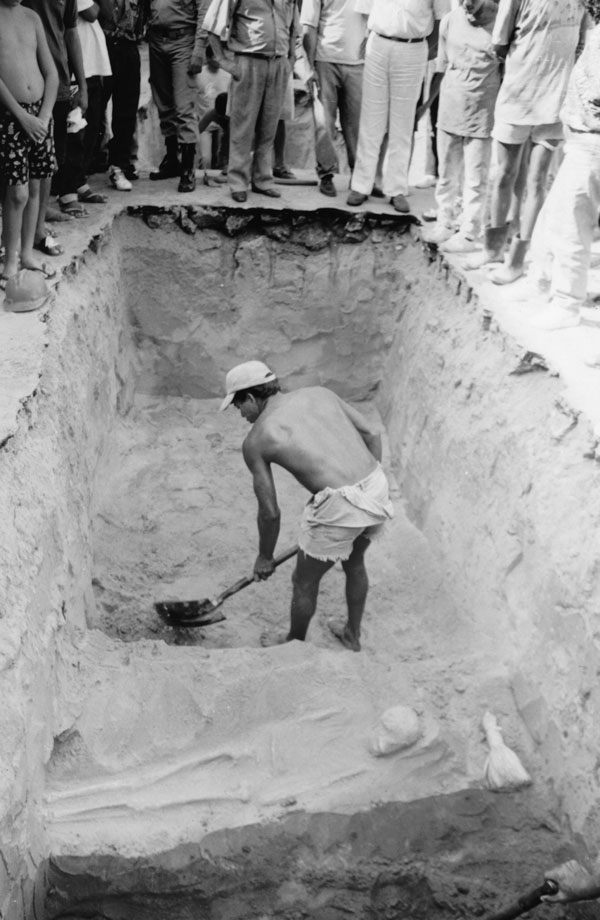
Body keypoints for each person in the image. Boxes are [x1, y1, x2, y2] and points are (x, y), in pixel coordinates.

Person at [220, 360, 394, 651]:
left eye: (239, 407)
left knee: (303, 581)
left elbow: (270, 512)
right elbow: (372, 435)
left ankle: (294, 645)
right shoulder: (320, 393)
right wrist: (365, 485)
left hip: (342, 507)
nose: (241, 415)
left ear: (250, 397)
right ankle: (352, 635)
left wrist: (265, 557)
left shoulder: (257, 439)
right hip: (376, 485)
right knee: (354, 562)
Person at [465, 0, 588, 284]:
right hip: (517, 97)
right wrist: (527, 67)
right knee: (502, 175)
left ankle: (516, 260)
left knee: (536, 182)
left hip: (554, 103)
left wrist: (556, 75)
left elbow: (580, 43)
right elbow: (500, 43)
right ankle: (493, 248)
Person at [528, 10, 600, 330]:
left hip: (590, 143)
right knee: (557, 219)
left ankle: (567, 303)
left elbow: (596, 93)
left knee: (570, 224)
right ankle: (547, 287)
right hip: (581, 141)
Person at [346, 0, 450, 214]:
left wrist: (424, 49)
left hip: (413, 48)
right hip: (378, 43)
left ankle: (396, 189)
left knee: (402, 123)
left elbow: (442, 19)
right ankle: (361, 185)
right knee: (371, 119)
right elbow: (365, 11)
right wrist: (368, 37)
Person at [419, 0, 500, 253]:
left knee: (476, 179)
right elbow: (441, 68)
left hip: (483, 113)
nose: (467, 7)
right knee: (447, 175)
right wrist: (426, 105)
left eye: (473, 3)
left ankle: (469, 232)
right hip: (450, 108)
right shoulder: (450, 21)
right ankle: (445, 221)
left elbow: (507, 71)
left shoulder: (501, 25)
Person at [204, 0, 297, 202]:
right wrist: (225, 62)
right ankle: (238, 182)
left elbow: (293, 27)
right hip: (248, 61)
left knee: (269, 127)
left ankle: (263, 180)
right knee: (242, 126)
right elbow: (212, 26)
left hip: (278, 63)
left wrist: (291, 59)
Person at [21, 0, 88, 251]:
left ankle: (37, 230)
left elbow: (71, 31)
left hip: (56, 84)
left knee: (49, 163)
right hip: (22, 82)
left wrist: (80, 84)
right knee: (15, 165)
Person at [0, 0, 58, 284]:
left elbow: (52, 73)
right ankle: (10, 261)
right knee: (17, 193)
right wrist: (23, 117)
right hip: (11, 116)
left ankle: (26, 254)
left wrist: (44, 115)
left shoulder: (32, 17)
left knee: (35, 185)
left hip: (40, 115)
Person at [300, 0, 368, 197]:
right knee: (324, 122)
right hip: (325, 60)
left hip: (358, 63)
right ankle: (326, 174)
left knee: (356, 125)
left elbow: (374, 19)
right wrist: (310, 67)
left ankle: (359, 178)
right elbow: (308, 28)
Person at [147, 0, 209, 193]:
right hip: (156, 38)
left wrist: (199, 50)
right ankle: (172, 159)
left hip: (183, 39)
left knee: (183, 104)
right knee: (163, 102)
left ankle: (188, 168)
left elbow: (204, 11)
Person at [60, 0, 113, 208]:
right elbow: (93, 12)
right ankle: (67, 190)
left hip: (92, 65)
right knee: (75, 131)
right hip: (76, 65)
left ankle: (79, 182)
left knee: (91, 127)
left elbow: (107, 14)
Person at [101, 0, 147, 189]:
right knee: (94, 109)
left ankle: (119, 164)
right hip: (102, 45)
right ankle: (78, 171)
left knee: (126, 110)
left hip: (129, 46)